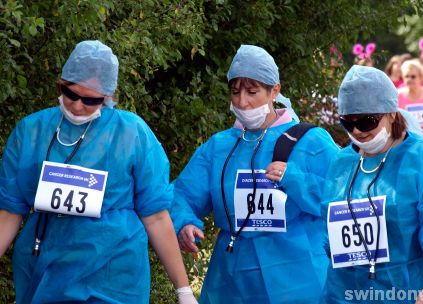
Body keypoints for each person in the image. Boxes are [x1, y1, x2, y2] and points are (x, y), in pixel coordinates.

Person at [0, 40, 197, 303]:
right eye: (70, 94)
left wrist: (183, 290)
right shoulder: (32, 131)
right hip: (46, 268)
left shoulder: (131, 133)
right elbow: (11, 211)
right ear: (61, 84)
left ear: (108, 97)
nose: (78, 106)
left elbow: (156, 216)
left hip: (114, 274)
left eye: (91, 99)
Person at [170, 44, 339, 303]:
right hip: (231, 280)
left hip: (297, 279)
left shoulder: (311, 141)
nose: (242, 102)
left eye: (252, 92)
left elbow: (342, 197)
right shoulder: (219, 146)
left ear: (275, 91)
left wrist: (296, 179)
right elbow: (181, 194)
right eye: (235, 92)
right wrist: (184, 222)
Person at [321, 65, 423, 303]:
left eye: (367, 122)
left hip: (410, 291)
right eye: (347, 123)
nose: (357, 131)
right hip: (347, 292)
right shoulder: (342, 163)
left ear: (392, 112)